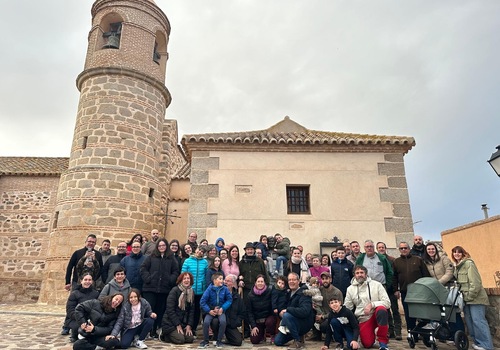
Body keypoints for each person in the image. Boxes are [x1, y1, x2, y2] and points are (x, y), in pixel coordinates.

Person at [452, 246, 494, 350]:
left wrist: (470, 296)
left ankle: (487, 346)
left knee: (478, 321)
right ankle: (477, 343)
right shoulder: (458, 266)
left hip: (475, 298)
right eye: (454, 252)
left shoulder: (468, 264)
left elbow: (476, 282)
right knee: (470, 322)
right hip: (466, 299)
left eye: (459, 252)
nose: (456, 254)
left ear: (463, 253)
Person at [423, 242, 465, 342]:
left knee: (452, 311)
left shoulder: (444, 258)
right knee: (440, 312)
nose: (431, 251)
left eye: (432, 249)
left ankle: (459, 335)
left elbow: (449, 272)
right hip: (436, 290)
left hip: (448, 287)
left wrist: (439, 282)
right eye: (429, 249)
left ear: (436, 249)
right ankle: (445, 334)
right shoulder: (426, 262)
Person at [344, 265, 391, 350]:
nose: (359, 275)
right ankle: (374, 333)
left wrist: (372, 304)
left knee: (382, 310)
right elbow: (348, 307)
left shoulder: (377, 285)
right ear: (354, 275)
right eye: (357, 273)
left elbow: (387, 303)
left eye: (362, 272)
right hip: (363, 317)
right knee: (367, 344)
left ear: (366, 274)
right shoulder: (350, 289)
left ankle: (383, 343)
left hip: (376, 313)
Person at [140, 238, 179, 338]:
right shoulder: (151, 257)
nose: (162, 247)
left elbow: (175, 271)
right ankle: (147, 330)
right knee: (149, 309)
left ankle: (155, 330)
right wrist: (148, 279)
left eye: (163, 245)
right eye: (160, 246)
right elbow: (143, 268)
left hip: (164, 289)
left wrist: (170, 280)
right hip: (150, 288)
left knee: (160, 310)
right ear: (157, 247)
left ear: (166, 246)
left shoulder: (171, 258)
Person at [392, 241, 430, 333]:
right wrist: (396, 290)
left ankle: (423, 333)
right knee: (409, 314)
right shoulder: (396, 262)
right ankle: (412, 334)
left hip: (419, 291)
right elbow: (394, 277)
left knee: (422, 314)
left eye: (405, 248)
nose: (404, 250)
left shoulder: (418, 260)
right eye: (401, 248)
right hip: (406, 292)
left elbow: (426, 275)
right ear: (399, 250)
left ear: (409, 249)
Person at [273, 272, 315, 349]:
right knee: (277, 341)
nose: (291, 282)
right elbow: (282, 306)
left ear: (298, 281)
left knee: (287, 315)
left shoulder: (305, 293)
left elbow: (305, 311)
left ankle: (297, 341)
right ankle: (297, 334)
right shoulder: (287, 293)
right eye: (289, 280)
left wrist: (288, 310)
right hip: (290, 323)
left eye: (293, 280)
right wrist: (280, 312)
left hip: (304, 322)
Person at [306, 271, 343, 342]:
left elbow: (339, 309)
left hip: (332, 316)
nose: (325, 281)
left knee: (324, 325)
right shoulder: (320, 289)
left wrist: (324, 317)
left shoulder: (337, 292)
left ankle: (332, 334)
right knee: (309, 311)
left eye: (326, 278)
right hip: (320, 313)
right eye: (323, 279)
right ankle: (316, 335)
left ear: (330, 280)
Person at [199, 272, 233, 349]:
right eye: (220, 279)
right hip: (211, 311)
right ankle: (206, 341)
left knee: (223, 322)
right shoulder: (209, 289)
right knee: (206, 322)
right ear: (214, 280)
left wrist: (222, 308)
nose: (222, 281)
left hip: (221, 310)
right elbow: (202, 301)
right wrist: (209, 310)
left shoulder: (225, 289)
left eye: (222, 279)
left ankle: (219, 341)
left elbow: (229, 300)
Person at [376, 241, 402, 340]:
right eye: (379, 247)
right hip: (382, 290)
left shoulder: (392, 260)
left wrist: (396, 289)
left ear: (385, 248)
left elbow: (395, 276)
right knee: (386, 311)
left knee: (395, 310)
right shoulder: (376, 260)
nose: (381, 249)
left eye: (383, 247)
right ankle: (390, 331)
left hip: (391, 289)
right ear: (377, 249)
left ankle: (398, 331)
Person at [161, 272, 195, 344]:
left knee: (190, 339)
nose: (186, 280)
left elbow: (191, 311)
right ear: (180, 280)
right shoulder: (174, 291)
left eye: (188, 278)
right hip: (170, 323)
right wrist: (177, 324)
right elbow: (170, 310)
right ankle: (165, 335)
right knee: (180, 340)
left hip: (183, 323)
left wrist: (189, 325)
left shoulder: (191, 292)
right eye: (184, 278)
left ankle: (179, 333)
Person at [64, 273, 100, 343]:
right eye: (85, 279)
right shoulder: (74, 294)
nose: (87, 282)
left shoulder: (96, 294)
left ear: (92, 281)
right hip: (76, 318)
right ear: (81, 281)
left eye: (89, 280)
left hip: (90, 318)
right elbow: (70, 309)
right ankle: (74, 334)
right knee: (78, 327)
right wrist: (81, 319)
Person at [181, 246, 209, 333]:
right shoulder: (188, 261)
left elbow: (206, 275)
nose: (200, 252)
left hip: (200, 290)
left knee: (197, 310)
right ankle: (185, 326)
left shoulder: (205, 262)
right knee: (187, 309)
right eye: (199, 250)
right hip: (189, 289)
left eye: (202, 251)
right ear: (195, 250)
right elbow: (183, 273)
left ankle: (193, 329)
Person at [215, 274, 246, 346]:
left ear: (233, 284)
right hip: (220, 322)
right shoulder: (217, 294)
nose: (225, 282)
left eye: (228, 281)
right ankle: (217, 337)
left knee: (238, 342)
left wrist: (235, 323)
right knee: (215, 322)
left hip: (231, 324)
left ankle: (227, 338)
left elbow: (242, 312)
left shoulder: (237, 297)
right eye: (225, 281)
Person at [246, 274, 277, 344]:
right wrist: (253, 326)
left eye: (262, 281)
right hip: (258, 320)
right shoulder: (250, 295)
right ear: (255, 283)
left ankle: (272, 335)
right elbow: (249, 312)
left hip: (268, 318)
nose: (260, 283)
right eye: (258, 281)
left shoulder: (269, 292)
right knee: (254, 340)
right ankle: (261, 334)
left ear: (264, 282)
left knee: (270, 322)